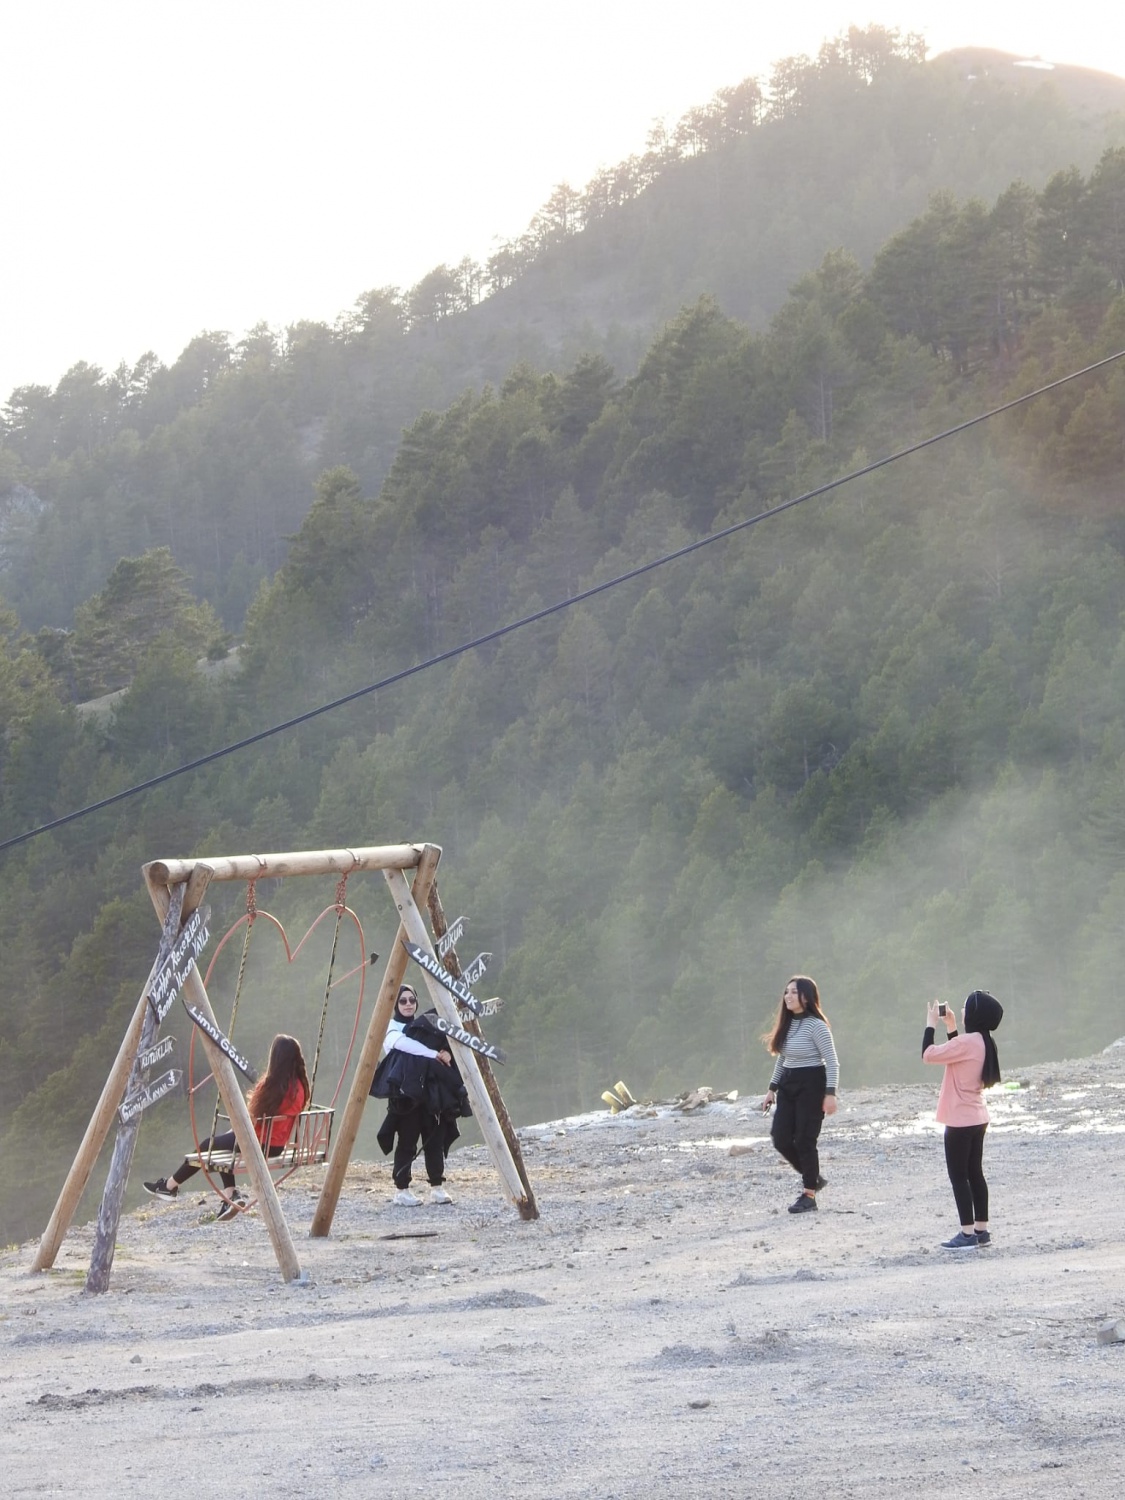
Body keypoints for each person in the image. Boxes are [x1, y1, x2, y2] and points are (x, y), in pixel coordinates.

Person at [143, 1033, 310, 1221]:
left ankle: (169, 1187)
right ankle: (230, 1196)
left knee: (208, 1145)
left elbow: (250, 1116)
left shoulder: (270, 1086)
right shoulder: (300, 1088)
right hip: (277, 1147)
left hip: (257, 1144)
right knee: (225, 1144)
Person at [370, 982, 469, 1206]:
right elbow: (402, 1044)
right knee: (407, 1141)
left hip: (431, 1095)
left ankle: (437, 1186)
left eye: (411, 1000)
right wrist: (434, 1053)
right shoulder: (391, 1027)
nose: (407, 1004)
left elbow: (448, 1045)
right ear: (395, 1004)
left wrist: (445, 1052)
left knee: (434, 1139)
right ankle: (402, 1190)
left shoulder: (426, 1026)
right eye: (403, 1001)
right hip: (406, 1098)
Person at [923, 989, 1003, 1250]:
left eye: (967, 1007)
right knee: (975, 1173)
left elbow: (929, 1054)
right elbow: (958, 1056)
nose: (963, 1009)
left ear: (976, 1014)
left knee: (959, 1176)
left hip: (959, 1120)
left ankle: (966, 1234)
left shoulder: (968, 1043)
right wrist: (952, 1028)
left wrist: (930, 1024)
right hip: (978, 1116)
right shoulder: (983, 1041)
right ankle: (981, 1230)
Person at [762, 976, 839, 1214]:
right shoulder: (787, 1025)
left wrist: (830, 1094)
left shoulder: (817, 1026)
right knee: (781, 1137)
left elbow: (833, 1062)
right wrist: (772, 1089)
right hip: (788, 1084)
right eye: (786, 993)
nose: (788, 997)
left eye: (794, 992)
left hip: (812, 1084)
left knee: (805, 1139)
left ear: (806, 996)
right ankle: (813, 1177)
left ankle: (809, 1194)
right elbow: (784, 1058)